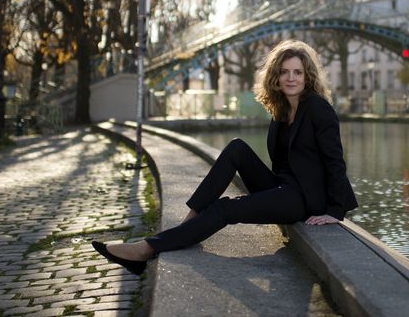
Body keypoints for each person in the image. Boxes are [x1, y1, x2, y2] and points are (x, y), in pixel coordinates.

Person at [92, 39, 358, 275]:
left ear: (307, 76)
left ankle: (146, 250)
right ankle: (188, 226)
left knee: (225, 208)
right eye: (284, 72)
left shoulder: (317, 109)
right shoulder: (281, 109)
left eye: (297, 72)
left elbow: (335, 160)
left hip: (301, 200)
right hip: (282, 186)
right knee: (236, 148)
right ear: (275, 77)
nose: (291, 78)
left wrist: (335, 211)